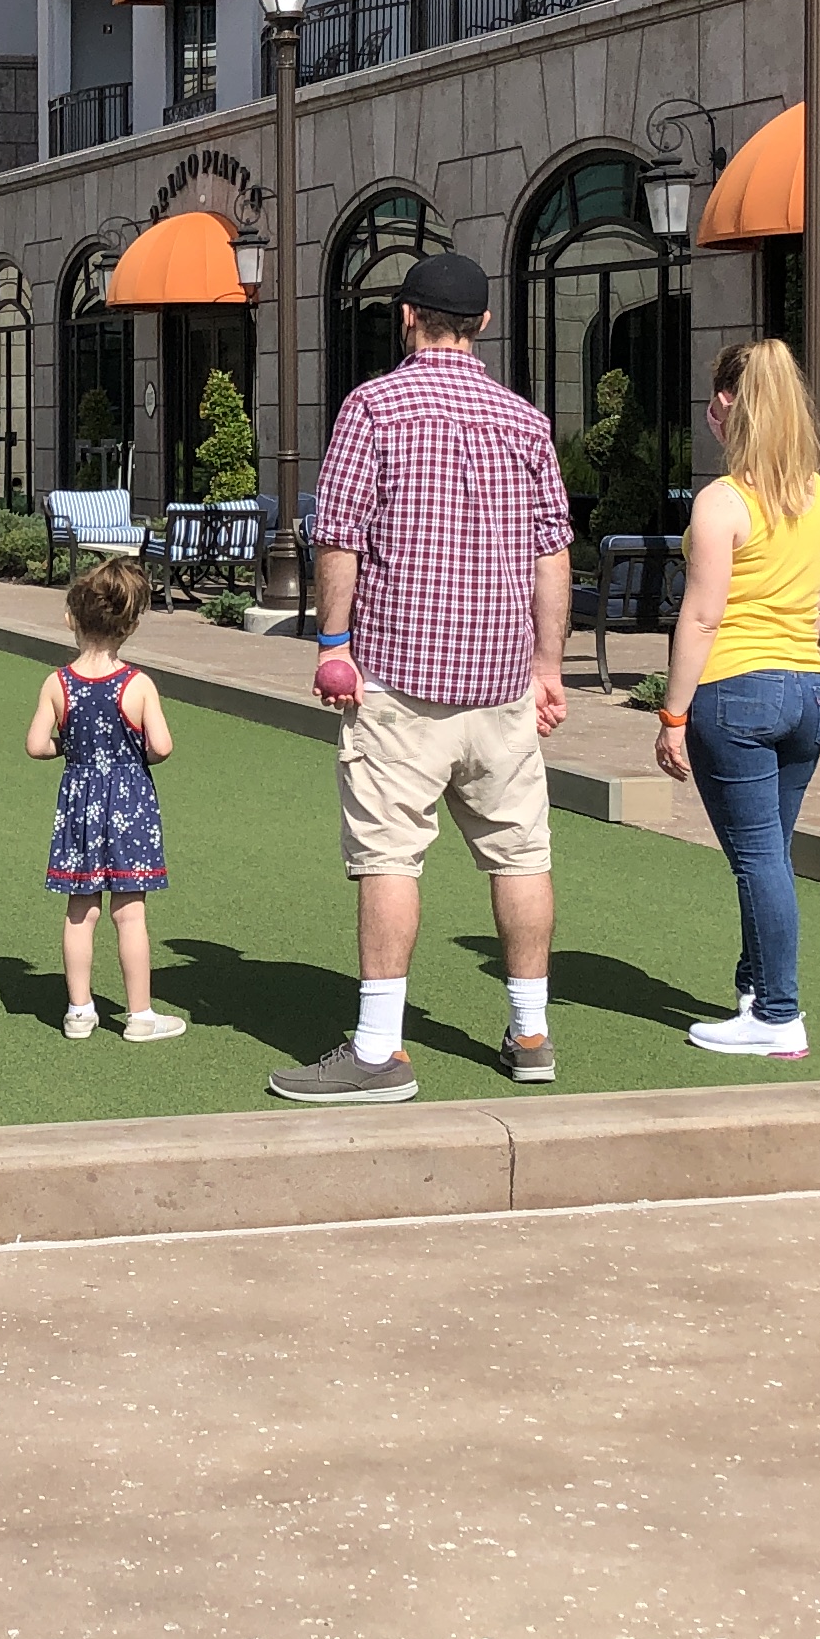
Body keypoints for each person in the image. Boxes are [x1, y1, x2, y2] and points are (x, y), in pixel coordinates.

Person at [270, 248, 572, 1104]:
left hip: (400, 680)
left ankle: (379, 1049)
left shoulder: (374, 407)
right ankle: (531, 1029)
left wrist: (333, 643)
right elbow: (554, 550)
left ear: (407, 317)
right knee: (520, 855)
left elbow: (340, 535)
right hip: (503, 682)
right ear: (481, 324)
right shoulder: (524, 420)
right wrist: (549, 665)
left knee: (390, 857)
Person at [654, 337, 820, 1059]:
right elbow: (818, 604)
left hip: (737, 692)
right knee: (773, 854)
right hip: (806, 689)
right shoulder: (817, 493)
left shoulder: (722, 501)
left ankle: (778, 1013)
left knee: (757, 859)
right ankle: (759, 989)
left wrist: (671, 716)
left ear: (729, 404)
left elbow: (700, 616)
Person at [26, 559, 187, 1043]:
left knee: (80, 909)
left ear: (72, 618)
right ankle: (139, 1015)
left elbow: (37, 744)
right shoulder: (137, 684)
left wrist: (70, 747)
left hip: (79, 802)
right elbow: (161, 746)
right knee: (130, 911)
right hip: (129, 803)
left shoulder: (58, 683)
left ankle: (79, 1009)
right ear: (131, 623)